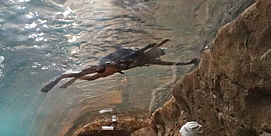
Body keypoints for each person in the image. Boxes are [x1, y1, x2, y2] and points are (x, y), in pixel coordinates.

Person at [41, 40, 198, 92]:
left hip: (112, 68)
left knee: (89, 79)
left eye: (157, 53)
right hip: (109, 65)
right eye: (156, 52)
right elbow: (135, 53)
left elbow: (168, 63)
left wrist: (187, 63)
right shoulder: (140, 56)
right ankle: (63, 79)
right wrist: (153, 45)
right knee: (82, 75)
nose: (156, 56)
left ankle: (68, 80)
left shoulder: (148, 61)